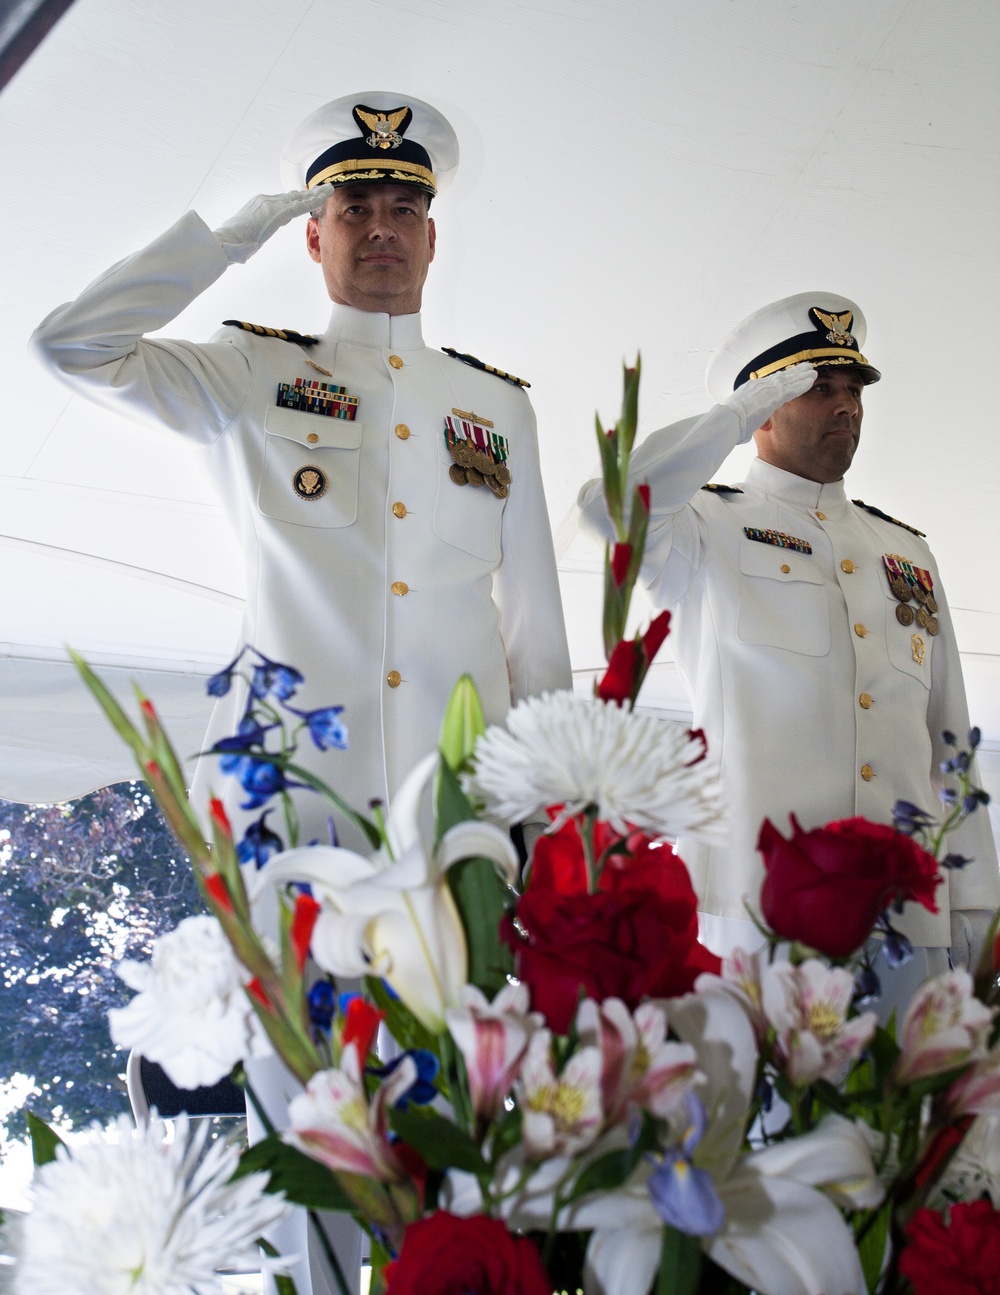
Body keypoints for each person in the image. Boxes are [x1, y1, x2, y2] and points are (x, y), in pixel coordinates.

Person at [32, 92, 572, 1295]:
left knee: (472, 1132)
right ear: (314, 238)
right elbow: (73, 345)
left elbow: (535, 632)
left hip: (464, 827)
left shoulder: (497, 407)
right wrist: (240, 225)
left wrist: (557, 832)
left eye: (403, 208)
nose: (380, 228)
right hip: (297, 819)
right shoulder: (248, 370)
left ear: (434, 239)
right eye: (351, 207)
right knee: (307, 1122)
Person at [578, 291, 1000, 992]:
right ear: (768, 405)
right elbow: (609, 506)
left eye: (853, 388)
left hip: (907, 929)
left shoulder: (906, 552)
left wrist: (980, 919)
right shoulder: (704, 525)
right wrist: (736, 415)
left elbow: (948, 744)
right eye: (818, 387)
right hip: (755, 918)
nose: (846, 405)